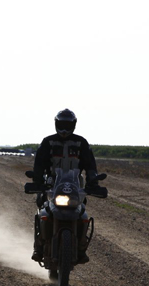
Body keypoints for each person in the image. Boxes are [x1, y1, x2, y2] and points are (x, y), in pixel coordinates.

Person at [31, 109, 100, 264]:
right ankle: (39, 247)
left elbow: (90, 165)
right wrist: (37, 181)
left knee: (82, 214)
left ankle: (81, 248)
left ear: (73, 125)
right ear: (56, 123)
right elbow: (39, 163)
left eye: (67, 124)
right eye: (61, 124)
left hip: (75, 186)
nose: (64, 128)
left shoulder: (81, 143)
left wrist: (93, 182)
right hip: (52, 185)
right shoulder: (48, 142)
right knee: (43, 211)